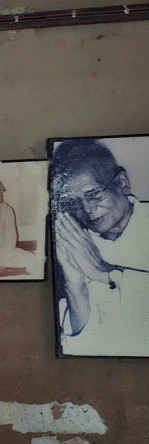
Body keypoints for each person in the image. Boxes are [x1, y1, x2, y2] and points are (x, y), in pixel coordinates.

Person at [53, 139, 149, 356]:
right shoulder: (75, 245)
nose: (87, 210)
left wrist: (104, 272)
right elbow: (78, 350)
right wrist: (76, 286)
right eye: (74, 202)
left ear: (122, 183)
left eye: (94, 193)